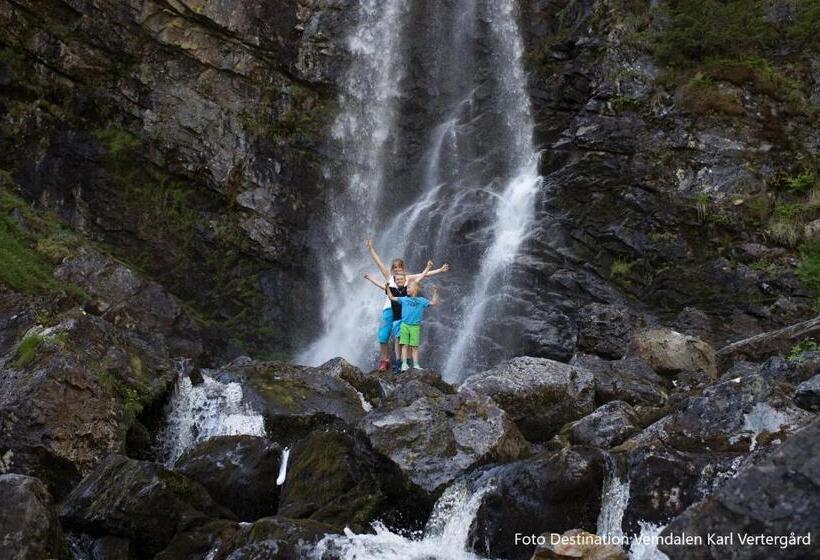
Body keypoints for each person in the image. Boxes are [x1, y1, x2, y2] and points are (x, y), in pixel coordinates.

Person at [365, 239, 449, 371]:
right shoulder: (389, 278)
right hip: (388, 309)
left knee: (402, 337)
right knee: (383, 336)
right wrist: (371, 248)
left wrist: (439, 270)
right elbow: (379, 263)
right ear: (392, 270)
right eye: (395, 269)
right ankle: (384, 360)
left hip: (403, 311)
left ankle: (405, 361)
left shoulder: (407, 279)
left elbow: (423, 275)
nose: (397, 271)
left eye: (400, 268)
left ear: (403, 269)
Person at [385, 280, 438, 371]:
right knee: (404, 346)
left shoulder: (422, 301)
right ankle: (404, 364)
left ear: (415, 288)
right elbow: (391, 297)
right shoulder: (404, 299)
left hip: (415, 327)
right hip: (404, 325)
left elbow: (433, 303)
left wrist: (434, 293)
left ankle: (416, 364)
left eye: (409, 287)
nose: (407, 289)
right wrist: (387, 288)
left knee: (414, 347)